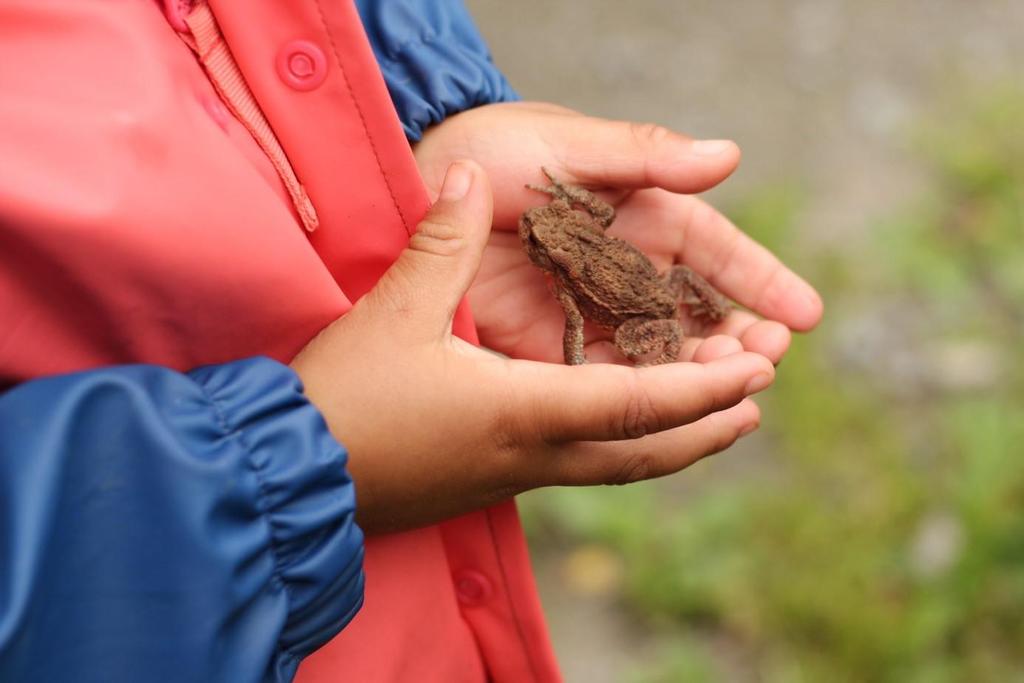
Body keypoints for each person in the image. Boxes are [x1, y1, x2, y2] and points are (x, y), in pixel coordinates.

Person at [0, 0, 823, 681]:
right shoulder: (570, 256)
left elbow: (582, 308)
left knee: (661, 311)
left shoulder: (572, 271)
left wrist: (422, 117)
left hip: (625, 306)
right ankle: (699, 310)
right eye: (547, 241)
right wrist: (321, 448)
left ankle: (692, 318)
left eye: (549, 238)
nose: (541, 240)